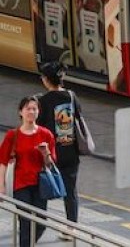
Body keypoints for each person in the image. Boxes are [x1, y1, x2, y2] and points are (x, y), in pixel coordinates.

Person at [1, 95, 59, 247]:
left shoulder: (46, 134)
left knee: (41, 222)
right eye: (28, 109)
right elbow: (3, 162)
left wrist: (45, 153)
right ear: (21, 112)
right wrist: (1, 185)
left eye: (34, 109)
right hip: (21, 184)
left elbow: (50, 164)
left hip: (40, 184)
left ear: (39, 112)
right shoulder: (12, 135)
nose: (31, 112)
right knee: (25, 222)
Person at [37, 61, 85, 232]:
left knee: (41, 188)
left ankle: (38, 223)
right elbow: (78, 116)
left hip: (51, 153)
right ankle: (71, 227)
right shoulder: (71, 96)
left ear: (46, 80)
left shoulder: (43, 101)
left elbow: (38, 127)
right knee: (70, 191)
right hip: (71, 151)